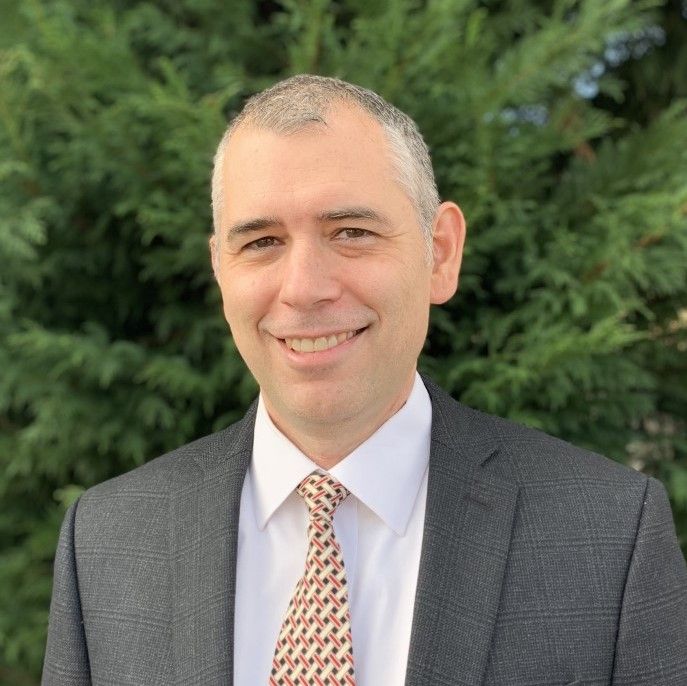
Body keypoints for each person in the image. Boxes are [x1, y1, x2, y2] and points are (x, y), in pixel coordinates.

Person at [43, 75, 687, 686]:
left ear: (440, 253)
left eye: (351, 233)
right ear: (220, 269)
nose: (303, 289)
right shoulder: (109, 540)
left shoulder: (607, 538)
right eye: (262, 242)